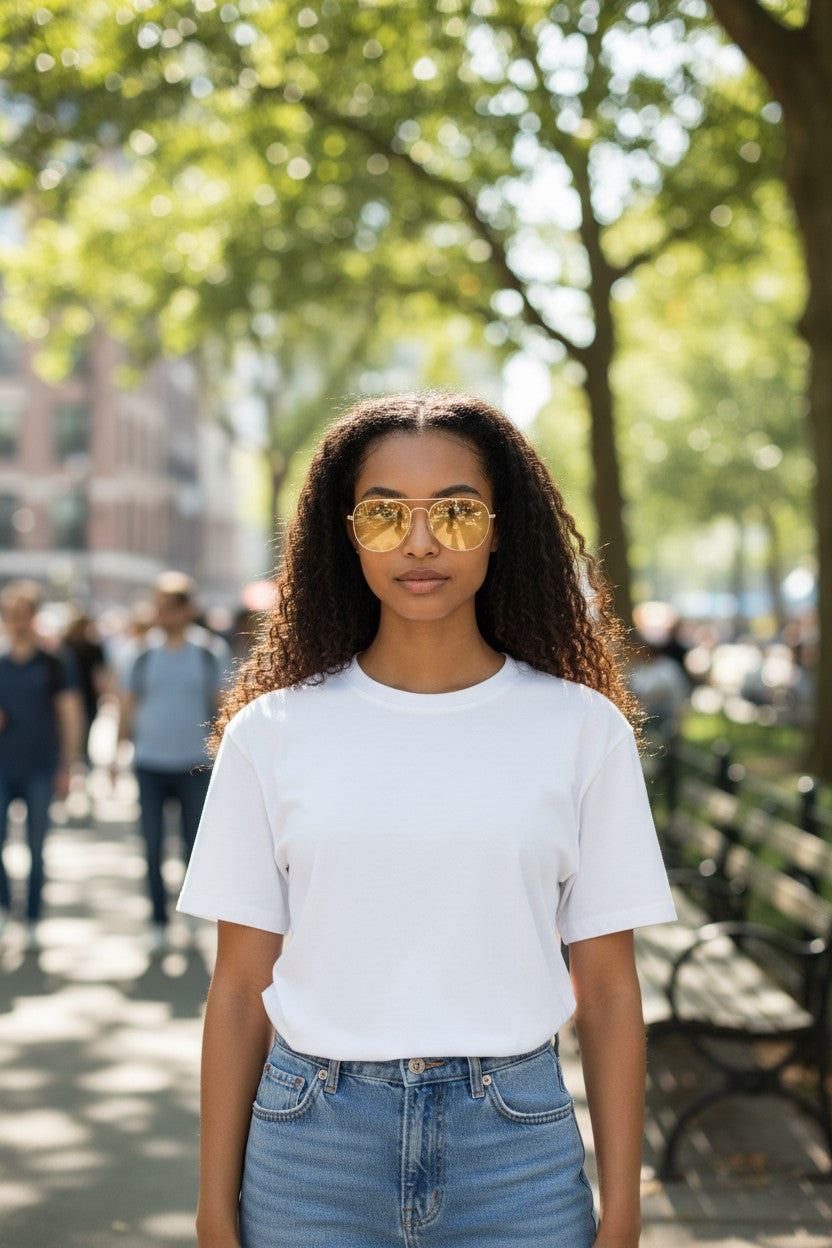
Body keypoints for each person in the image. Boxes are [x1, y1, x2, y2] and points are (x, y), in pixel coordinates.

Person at [177, 394, 677, 1248]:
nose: (419, 543)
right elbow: (236, 990)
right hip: (310, 1150)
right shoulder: (272, 733)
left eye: (454, 511)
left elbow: (607, 988)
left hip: (515, 1153)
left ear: (499, 527)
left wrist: (623, 1212)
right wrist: (213, 1213)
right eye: (383, 515)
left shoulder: (580, 729)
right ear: (345, 532)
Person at [118, 571, 231, 950]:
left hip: (194, 764)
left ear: (187, 609)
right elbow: (127, 705)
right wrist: (117, 755)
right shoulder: (142, 653)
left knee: (193, 847)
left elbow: (222, 709)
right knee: (151, 847)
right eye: (158, 606)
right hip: (149, 763)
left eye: (169, 606)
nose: (162, 613)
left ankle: (192, 917)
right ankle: (158, 921)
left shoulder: (208, 652)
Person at [0, 580, 84, 946]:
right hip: (3, 767)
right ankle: (5, 909)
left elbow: (71, 715)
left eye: (22, 614)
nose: (16, 621)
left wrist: (69, 765)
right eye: (10, 614)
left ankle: (32, 917)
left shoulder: (54, 663)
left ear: (33, 618)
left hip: (41, 767)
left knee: (37, 846)